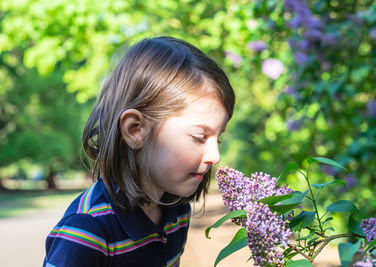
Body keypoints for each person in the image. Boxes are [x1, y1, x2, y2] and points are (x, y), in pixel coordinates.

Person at [43, 36, 235, 267]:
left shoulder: (176, 211)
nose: (215, 156)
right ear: (136, 130)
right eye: (199, 137)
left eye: (218, 139)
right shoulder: (87, 232)